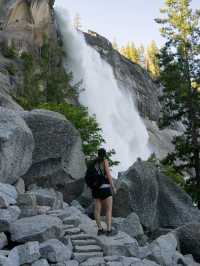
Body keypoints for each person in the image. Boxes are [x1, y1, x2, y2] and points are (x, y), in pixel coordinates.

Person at [92, 148, 117, 236]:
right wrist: (113, 187)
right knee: (108, 210)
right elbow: (108, 175)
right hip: (105, 188)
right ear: (104, 154)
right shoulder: (104, 161)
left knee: (97, 210)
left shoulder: (94, 163)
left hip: (96, 189)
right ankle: (109, 230)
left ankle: (100, 229)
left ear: (98, 154)